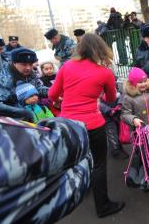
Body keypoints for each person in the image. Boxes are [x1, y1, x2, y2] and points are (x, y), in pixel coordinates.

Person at [0, 13, 92, 223]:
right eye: (24, 66)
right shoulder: (0, 83)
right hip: (23, 129)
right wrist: (18, 104)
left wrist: (48, 96)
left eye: (32, 66)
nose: (29, 69)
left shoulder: (29, 73)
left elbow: (39, 88)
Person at [48, 32, 125, 218]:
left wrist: (63, 100)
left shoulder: (66, 67)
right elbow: (111, 99)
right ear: (100, 49)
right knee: (98, 164)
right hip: (93, 125)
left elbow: (52, 95)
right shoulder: (104, 73)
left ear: (80, 48)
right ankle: (103, 206)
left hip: (69, 125)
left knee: (76, 160)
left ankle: (77, 193)